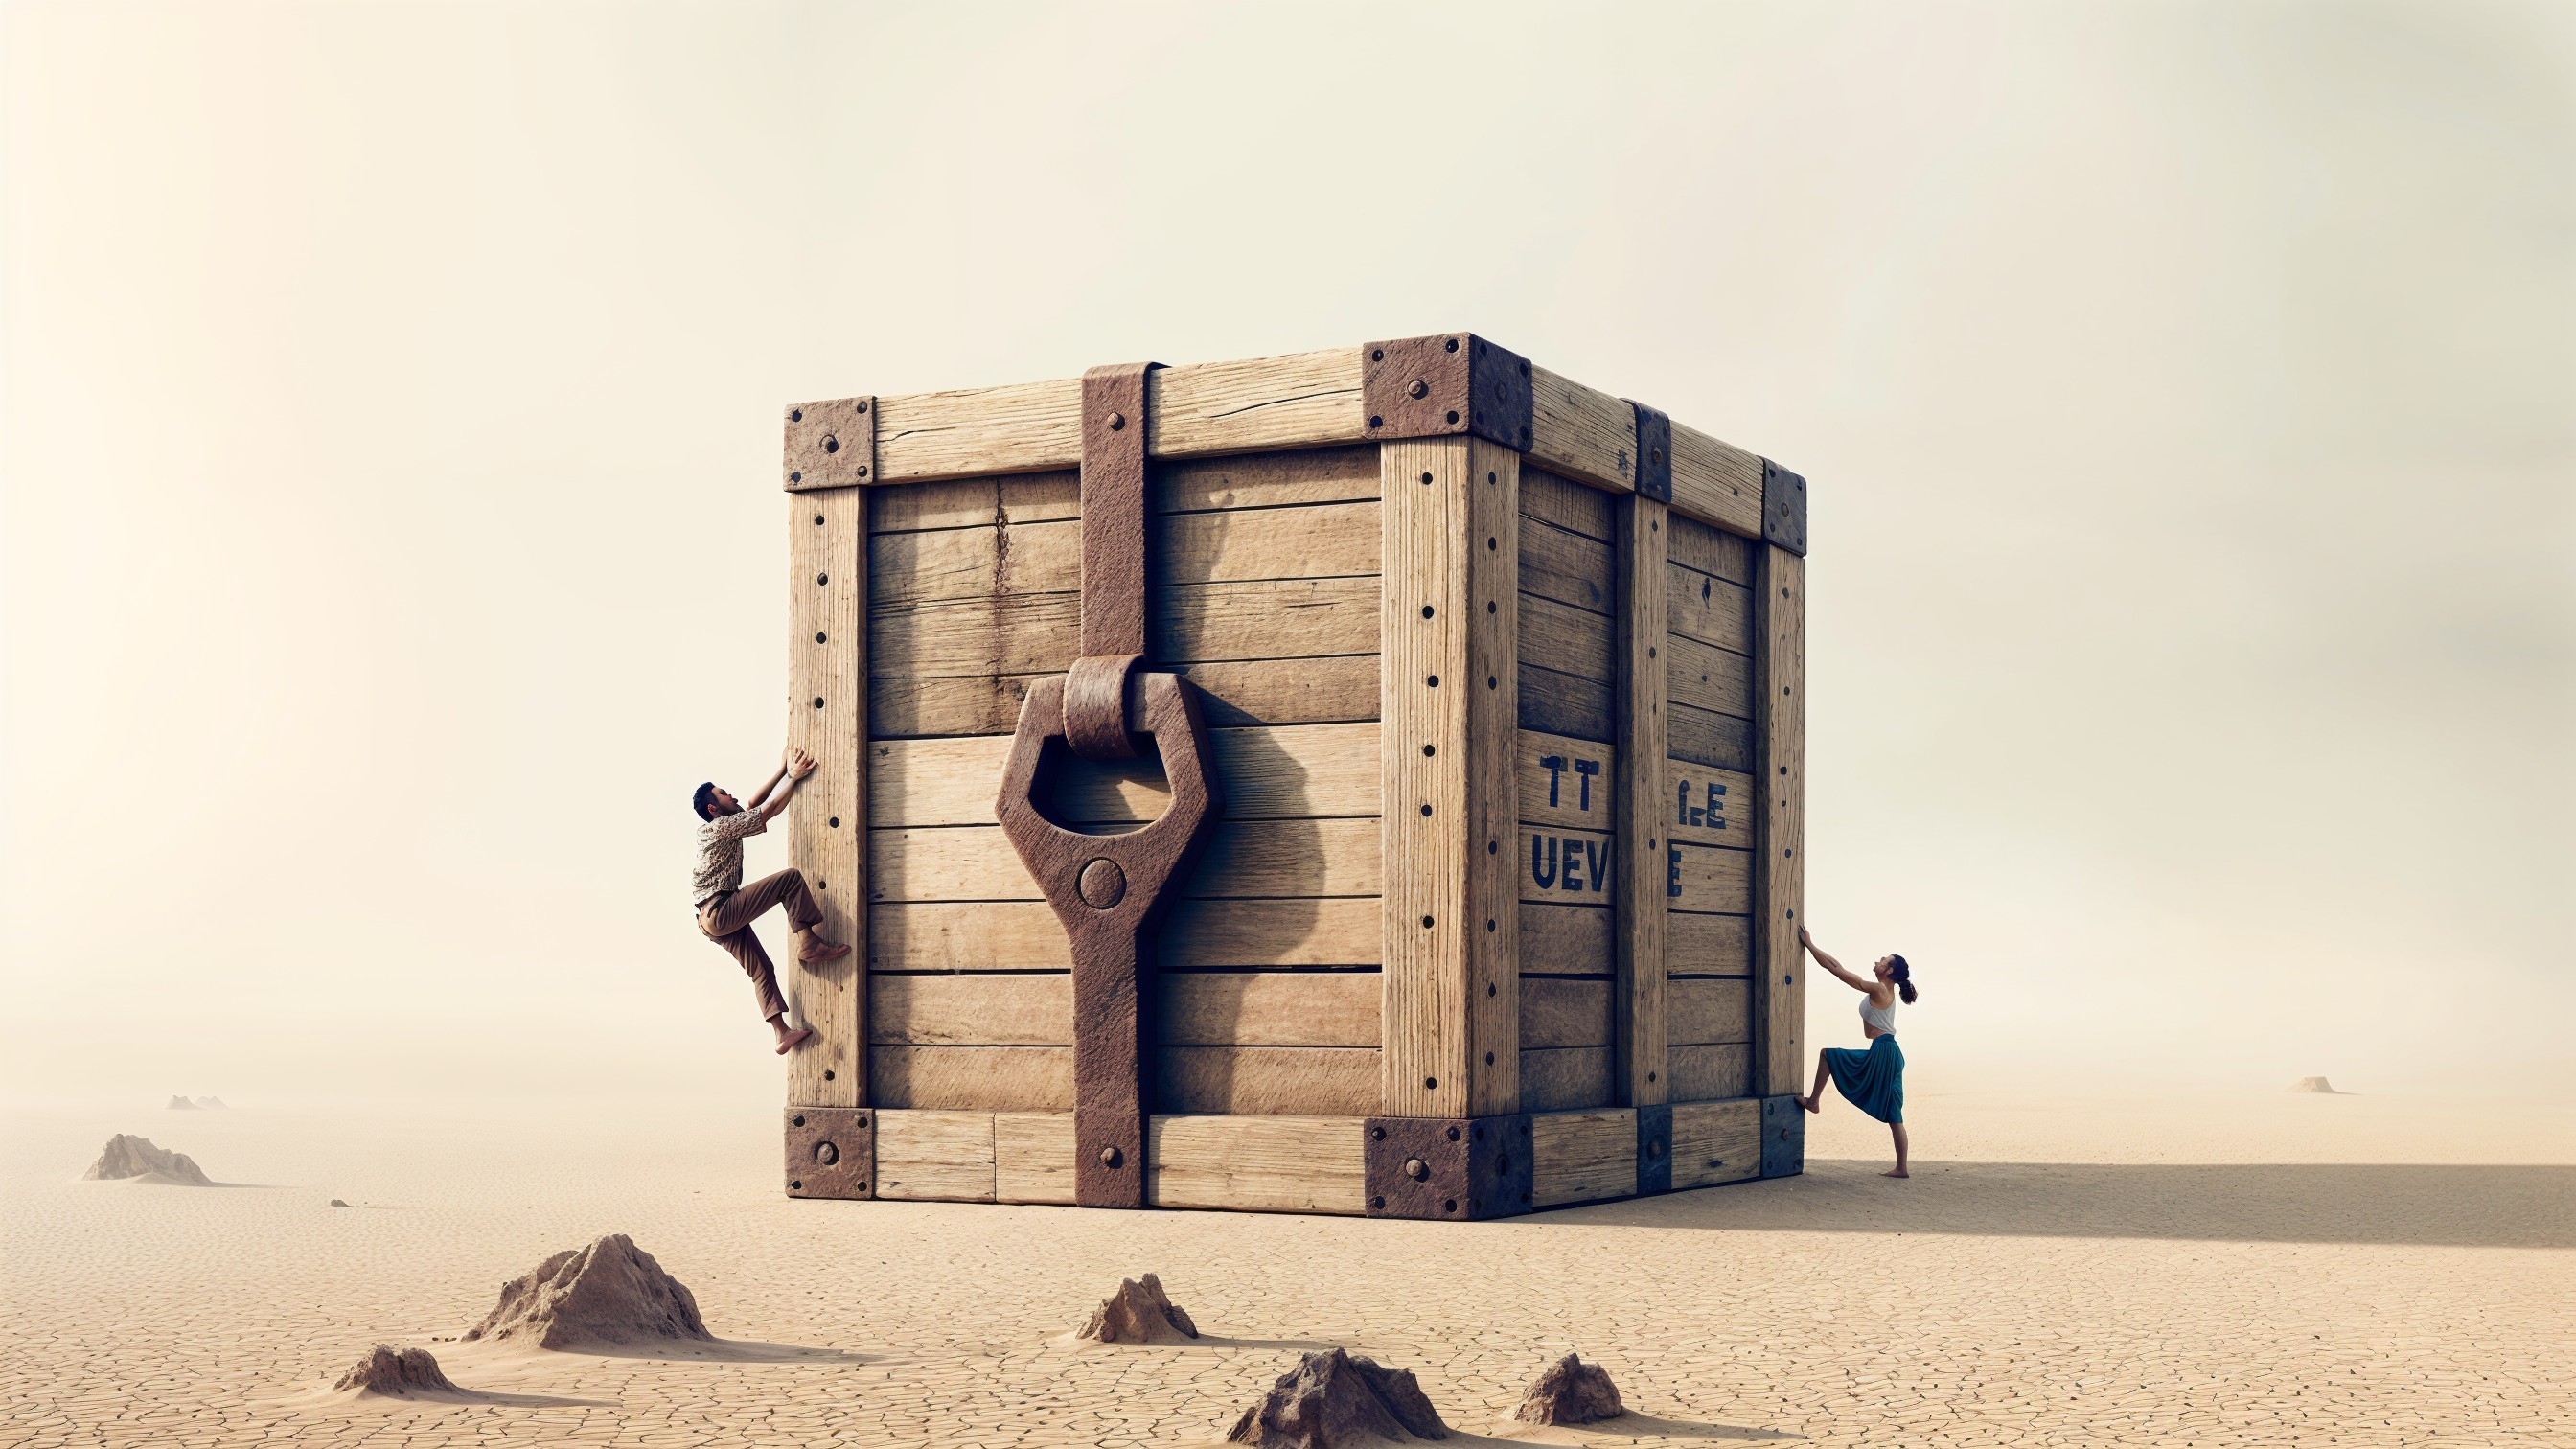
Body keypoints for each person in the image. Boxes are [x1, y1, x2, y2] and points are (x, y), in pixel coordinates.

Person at [690, 747, 850, 1054]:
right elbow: (770, 809)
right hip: (720, 909)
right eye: (723, 794)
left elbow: (753, 804)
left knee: (761, 969)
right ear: (714, 808)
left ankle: (781, 1034)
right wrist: (794, 776)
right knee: (789, 879)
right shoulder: (721, 827)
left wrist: (780, 771)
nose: (731, 795)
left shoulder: (719, 825)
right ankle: (809, 942)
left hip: (708, 920)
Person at [1793, 925, 1919, 1178]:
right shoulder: (1885, 990)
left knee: (1828, 1055)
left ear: (1890, 970)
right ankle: (1902, 1168)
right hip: (1891, 1052)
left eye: (1884, 960)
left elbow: (1836, 971)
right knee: (1895, 1113)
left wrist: (1809, 945)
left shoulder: (1880, 989)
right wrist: (1813, 946)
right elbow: (1837, 964)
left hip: (1884, 1051)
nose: (1878, 960)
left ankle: (1814, 1101)